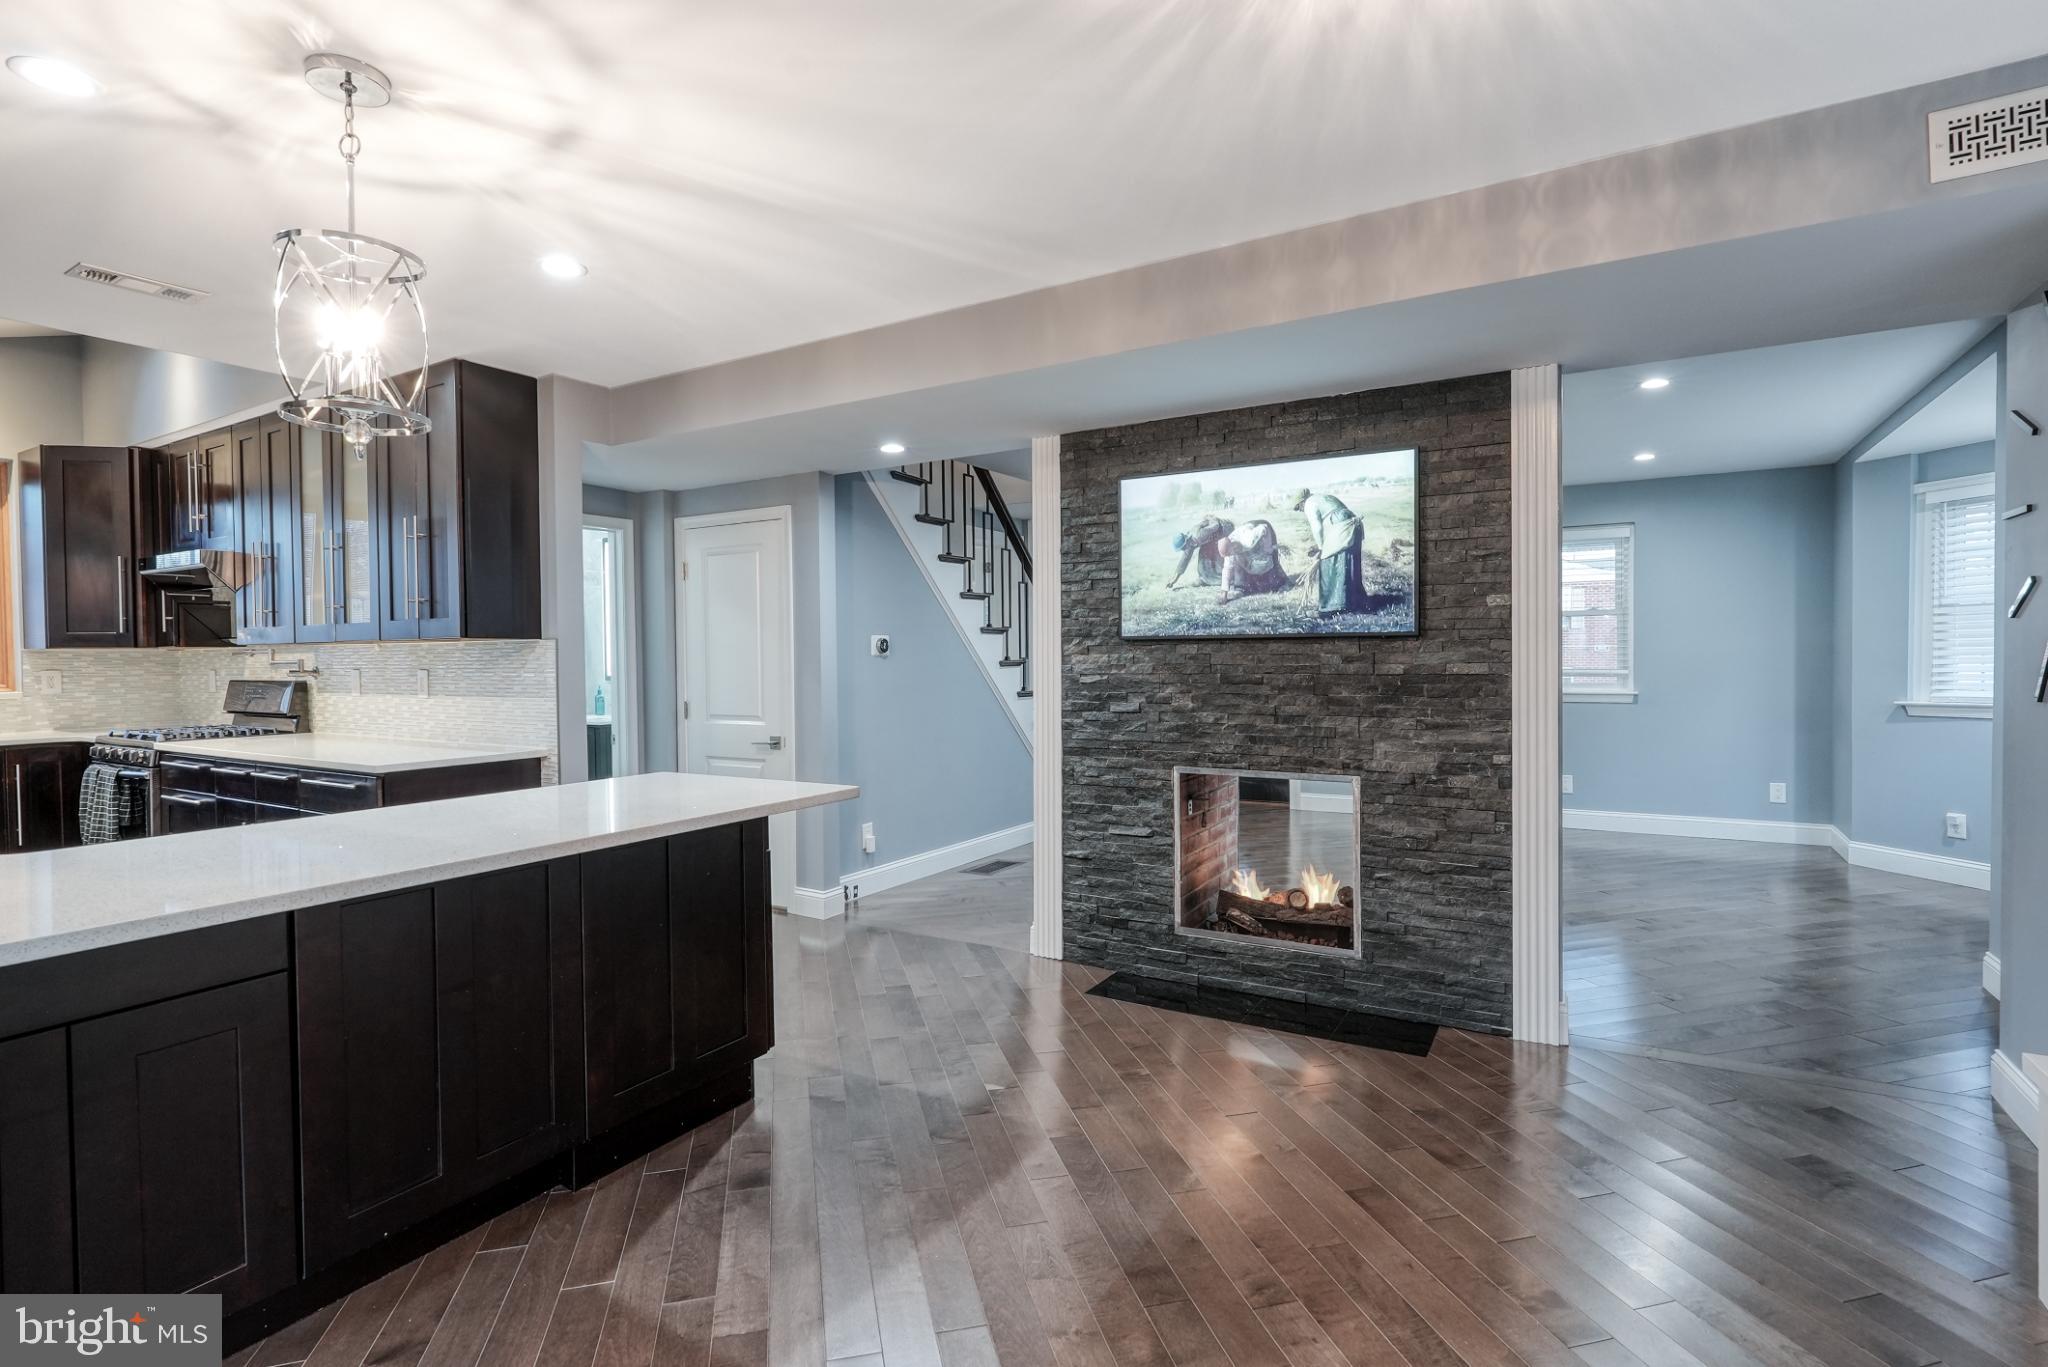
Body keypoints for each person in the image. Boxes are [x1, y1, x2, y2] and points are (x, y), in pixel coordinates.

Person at [1291, 487, 1368, 615]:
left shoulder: (1310, 504)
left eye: (1298, 508)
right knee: (1350, 563)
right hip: (1353, 526)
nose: (1300, 511)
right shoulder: (1323, 497)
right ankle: (1354, 602)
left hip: (1342, 527)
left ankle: (1334, 606)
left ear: (1302, 502)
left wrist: (1321, 548)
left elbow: (1317, 528)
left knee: (1329, 563)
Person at [1218, 518, 1289, 602]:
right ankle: (1240, 588)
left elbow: (1264, 527)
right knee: (1238, 560)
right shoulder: (1230, 549)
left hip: (1261, 528)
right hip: (1249, 532)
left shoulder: (1248, 539)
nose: (1229, 556)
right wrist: (1224, 591)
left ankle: (1282, 583)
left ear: (1233, 546)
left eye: (1229, 553)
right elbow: (1227, 568)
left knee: (1268, 560)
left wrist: (1268, 549)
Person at [1164, 515, 1233, 588]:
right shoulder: (1189, 542)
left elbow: (1216, 525)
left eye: (1183, 548)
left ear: (1185, 542)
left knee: (1221, 555)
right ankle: (1207, 578)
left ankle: (1226, 577)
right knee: (1203, 558)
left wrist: (1210, 518)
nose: (1183, 550)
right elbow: (1184, 560)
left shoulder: (1198, 535)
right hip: (1213, 537)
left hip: (1225, 529)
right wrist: (1174, 578)